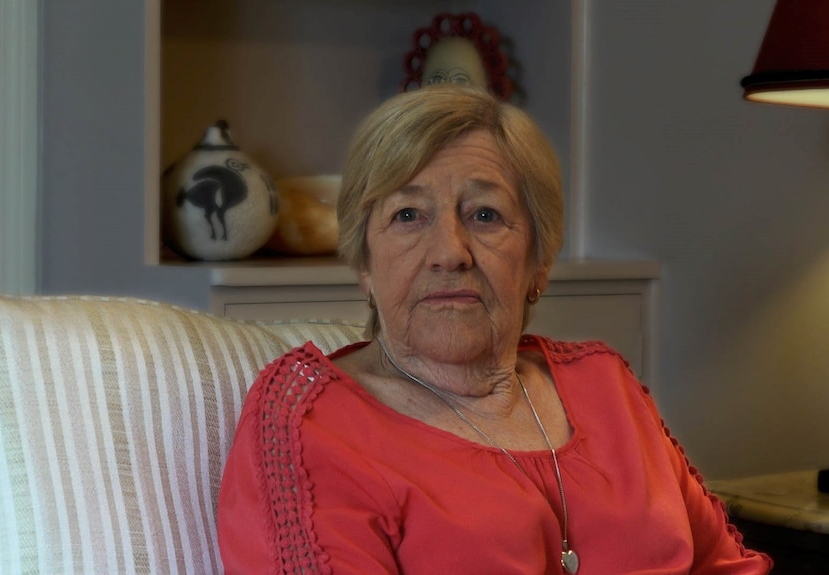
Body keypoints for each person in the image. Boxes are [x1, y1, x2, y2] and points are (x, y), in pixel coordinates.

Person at [217, 85, 772, 574]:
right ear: (364, 262)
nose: (449, 253)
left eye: (484, 215)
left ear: (539, 261)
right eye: (408, 215)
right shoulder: (310, 424)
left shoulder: (604, 383)